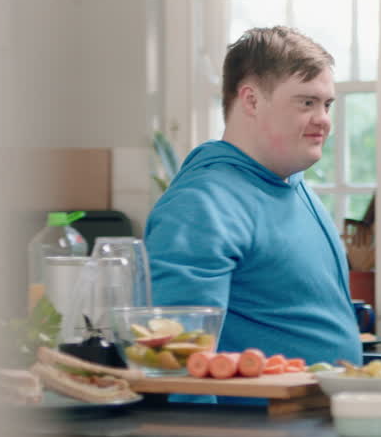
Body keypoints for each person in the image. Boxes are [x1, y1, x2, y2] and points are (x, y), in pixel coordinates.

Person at [146, 26, 362, 369]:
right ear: (251, 100)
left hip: (317, 416)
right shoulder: (202, 204)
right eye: (307, 102)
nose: (323, 120)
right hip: (256, 422)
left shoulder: (292, 186)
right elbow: (175, 361)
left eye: (327, 104)